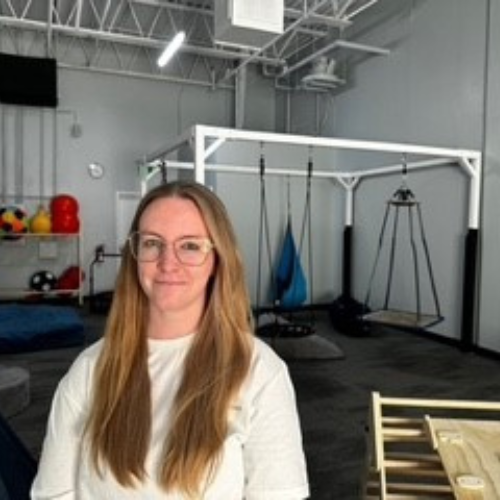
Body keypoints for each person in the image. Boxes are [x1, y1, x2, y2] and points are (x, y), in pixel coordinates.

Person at [31, 180, 309, 499]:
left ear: (217, 260)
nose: (167, 262)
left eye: (190, 246)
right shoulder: (91, 368)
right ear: (135, 255)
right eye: (152, 243)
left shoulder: (259, 371)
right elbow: (54, 493)